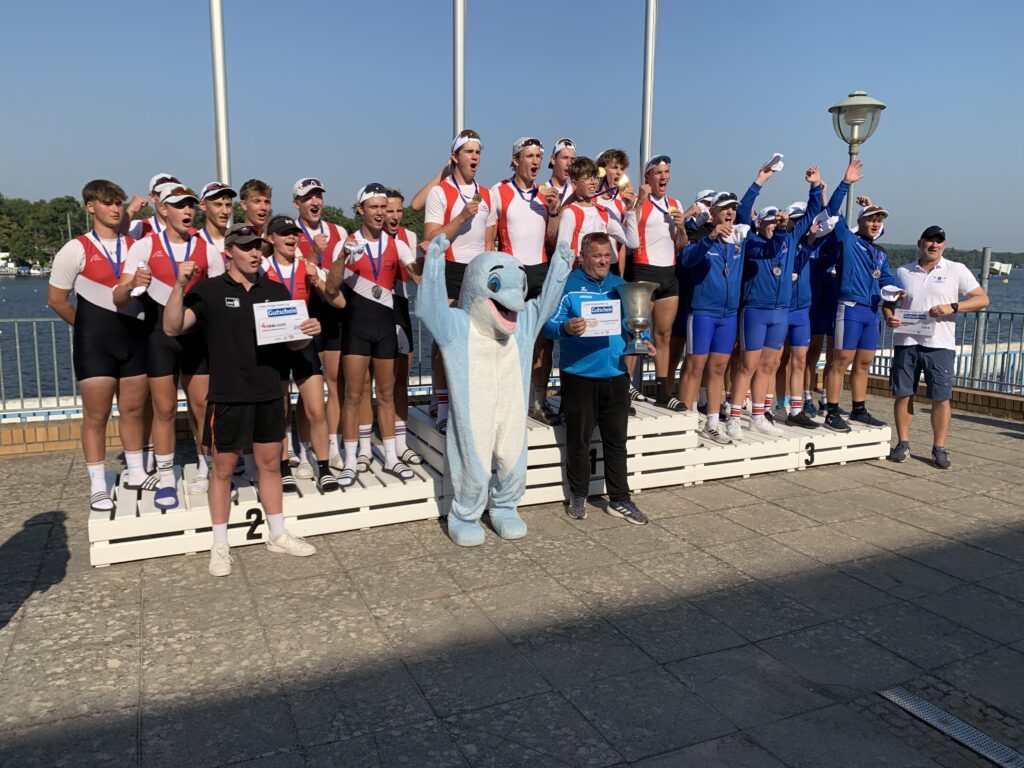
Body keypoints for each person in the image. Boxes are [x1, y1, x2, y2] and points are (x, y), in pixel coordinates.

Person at [163, 223, 321, 577]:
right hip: (228, 394)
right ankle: (219, 543)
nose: (254, 253)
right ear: (229, 252)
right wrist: (177, 285)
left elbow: (294, 343)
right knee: (221, 470)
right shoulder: (209, 290)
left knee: (269, 465)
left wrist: (308, 332)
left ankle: (278, 533)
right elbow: (172, 327)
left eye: (258, 248)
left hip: (267, 391)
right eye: (247, 247)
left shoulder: (276, 291)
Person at [117, 185, 224, 509]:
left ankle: (209, 470)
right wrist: (133, 285)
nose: (187, 212)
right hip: (158, 340)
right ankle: (165, 478)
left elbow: (218, 300)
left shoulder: (207, 249)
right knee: (164, 410)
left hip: (197, 341)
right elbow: (117, 296)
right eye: (179, 206)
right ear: (163, 210)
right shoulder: (145, 246)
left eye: (191, 206)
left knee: (204, 409)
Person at [47, 180, 150, 512]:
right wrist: (86, 328)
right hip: (95, 344)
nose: (115, 208)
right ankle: (97, 484)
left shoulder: (134, 244)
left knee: (133, 410)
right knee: (96, 415)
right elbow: (56, 300)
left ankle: (136, 472)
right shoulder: (75, 248)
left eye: (119, 202)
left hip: (133, 338)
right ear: (90, 207)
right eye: (108, 203)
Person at [543, 232, 651, 524]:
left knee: (616, 440)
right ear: (583, 257)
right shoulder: (566, 286)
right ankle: (578, 494)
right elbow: (547, 325)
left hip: (616, 374)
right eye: (597, 256)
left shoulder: (620, 286)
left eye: (607, 256)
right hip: (578, 375)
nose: (603, 261)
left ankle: (620, 498)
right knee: (579, 440)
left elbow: (636, 322)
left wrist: (646, 339)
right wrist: (565, 328)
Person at [327, 184, 419, 485]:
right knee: (353, 395)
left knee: (387, 394)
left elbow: (418, 275)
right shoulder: (349, 243)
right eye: (374, 207)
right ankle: (351, 461)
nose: (380, 213)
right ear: (361, 210)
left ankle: (391, 456)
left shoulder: (398, 244)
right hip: (356, 329)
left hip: (385, 328)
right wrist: (342, 258)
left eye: (384, 207)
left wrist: (431, 256)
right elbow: (330, 289)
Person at [727, 166, 824, 438]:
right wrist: (760, 180)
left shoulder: (792, 238)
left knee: (769, 365)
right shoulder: (754, 243)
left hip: (780, 312)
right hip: (756, 310)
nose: (772, 225)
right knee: (748, 365)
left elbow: (812, 212)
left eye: (775, 222)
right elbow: (744, 210)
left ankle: (758, 415)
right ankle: (734, 415)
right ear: (760, 224)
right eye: (767, 222)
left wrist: (815, 186)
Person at [884, 226, 989, 468]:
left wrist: (952, 307)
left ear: (944, 245)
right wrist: (889, 316)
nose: (934, 245)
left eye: (938, 242)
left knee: (941, 399)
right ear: (919, 243)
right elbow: (887, 303)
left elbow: (982, 299)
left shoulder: (956, 270)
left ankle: (939, 447)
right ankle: (903, 443)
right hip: (906, 343)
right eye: (929, 241)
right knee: (903, 394)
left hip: (940, 345)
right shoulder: (903, 271)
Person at [422, 129, 497, 432]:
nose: (475, 157)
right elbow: (430, 238)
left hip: (477, 273)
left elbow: (489, 243)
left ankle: (469, 405)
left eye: (478, 151)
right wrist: (462, 218)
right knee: (446, 342)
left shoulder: (487, 194)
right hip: (449, 269)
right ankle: (442, 408)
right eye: (468, 151)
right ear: (455, 157)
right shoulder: (440, 193)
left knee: (478, 343)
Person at [262, 214, 340, 492]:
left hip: (304, 343)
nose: (291, 238)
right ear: (271, 239)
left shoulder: (307, 267)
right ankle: (284, 468)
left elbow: (338, 300)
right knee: (280, 411)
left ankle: (324, 467)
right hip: (273, 347)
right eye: (284, 234)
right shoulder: (261, 267)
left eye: (294, 233)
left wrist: (317, 282)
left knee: (316, 409)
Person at [822, 161, 900, 432]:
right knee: (840, 361)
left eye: (880, 220)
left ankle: (859, 409)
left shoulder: (880, 252)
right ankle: (831, 410)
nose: (876, 224)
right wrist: (846, 183)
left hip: (871, 311)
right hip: (851, 308)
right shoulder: (848, 240)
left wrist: (898, 293)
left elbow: (887, 279)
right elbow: (831, 212)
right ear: (860, 222)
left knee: (864, 362)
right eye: (871, 219)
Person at [490, 137, 561, 423]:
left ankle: (538, 402)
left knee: (544, 343)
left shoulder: (547, 193)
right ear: (516, 160)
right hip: (511, 274)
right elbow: (488, 239)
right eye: (529, 156)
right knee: (507, 341)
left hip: (540, 271)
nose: (535, 162)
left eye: (538, 157)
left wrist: (554, 212)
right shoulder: (499, 191)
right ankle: (506, 403)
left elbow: (553, 239)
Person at [676, 191, 748, 445]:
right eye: (725, 208)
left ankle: (712, 422)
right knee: (694, 367)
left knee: (718, 369)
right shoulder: (703, 237)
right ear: (713, 212)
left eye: (733, 209)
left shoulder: (741, 240)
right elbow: (686, 259)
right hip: (703, 313)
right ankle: (683, 423)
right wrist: (711, 237)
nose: (730, 213)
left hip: (728, 316)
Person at [290, 177, 349, 472]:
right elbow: (298, 273)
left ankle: (333, 445)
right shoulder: (290, 233)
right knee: (307, 387)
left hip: (333, 313)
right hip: (304, 313)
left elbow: (344, 274)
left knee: (336, 383)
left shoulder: (338, 230)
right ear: (297, 203)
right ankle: (304, 448)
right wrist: (313, 253)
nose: (315, 202)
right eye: (308, 198)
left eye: (318, 197)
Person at [384, 188, 422, 465]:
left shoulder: (409, 237)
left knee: (401, 378)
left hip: (400, 306)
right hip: (373, 309)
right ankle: (366, 446)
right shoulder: (370, 238)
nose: (395, 216)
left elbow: (416, 276)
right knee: (370, 383)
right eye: (389, 210)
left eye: (399, 210)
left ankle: (401, 440)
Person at [126, 172, 179, 239]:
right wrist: (130, 211)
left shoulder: (189, 230)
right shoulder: (140, 226)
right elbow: (116, 241)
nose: (168, 200)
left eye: (173, 195)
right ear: (152, 197)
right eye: (162, 195)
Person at [546, 137, 577, 209]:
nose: (569, 163)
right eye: (565, 158)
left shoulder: (576, 193)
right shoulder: (541, 191)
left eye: (572, 159)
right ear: (553, 160)